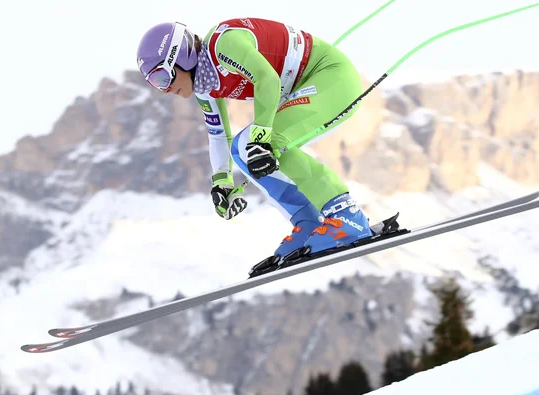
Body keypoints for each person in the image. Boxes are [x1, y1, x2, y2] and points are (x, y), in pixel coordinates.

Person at [135, 18, 396, 270]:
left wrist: (261, 139)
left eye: (161, 78)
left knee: (263, 143)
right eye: (154, 84)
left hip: (331, 79)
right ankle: (307, 221)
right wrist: (222, 183)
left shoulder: (223, 44)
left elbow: (267, 80)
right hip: (307, 87)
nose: (164, 89)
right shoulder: (205, 86)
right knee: (242, 149)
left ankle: (346, 215)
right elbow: (218, 135)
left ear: (181, 57)